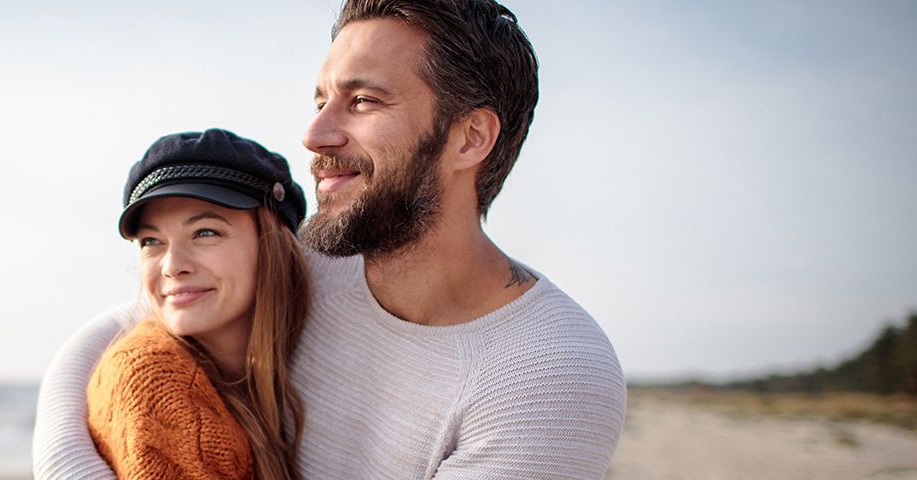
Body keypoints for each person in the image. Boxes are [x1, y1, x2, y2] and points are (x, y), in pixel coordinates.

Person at [33, 0, 626, 478]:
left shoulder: (549, 375)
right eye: (321, 101)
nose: (314, 134)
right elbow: (109, 335)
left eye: (362, 101)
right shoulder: (317, 257)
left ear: (469, 138)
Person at [85, 129, 310, 480]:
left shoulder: (300, 355)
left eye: (205, 232)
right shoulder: (157, 381)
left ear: (273, 246)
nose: (173, 266)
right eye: (151, 241)